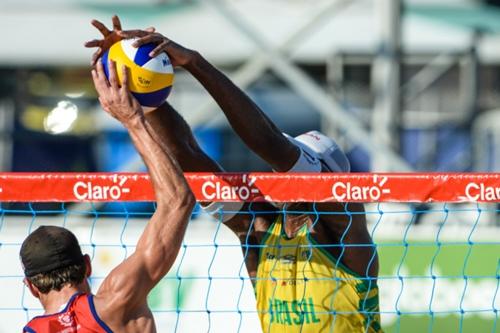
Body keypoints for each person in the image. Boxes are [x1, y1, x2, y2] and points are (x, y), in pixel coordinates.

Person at [86, 16, 382, 333]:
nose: (282, 172)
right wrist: (142, 97)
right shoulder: (258, 229)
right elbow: (188, 153)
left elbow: (270, 144)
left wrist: (195, 62)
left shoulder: (348, 232)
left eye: (303, 163)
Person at [20, 57, 195, 332]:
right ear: (87, 266)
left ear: (30, 287)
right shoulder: (118, 300)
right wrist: (133, 119)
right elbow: (178, 201)